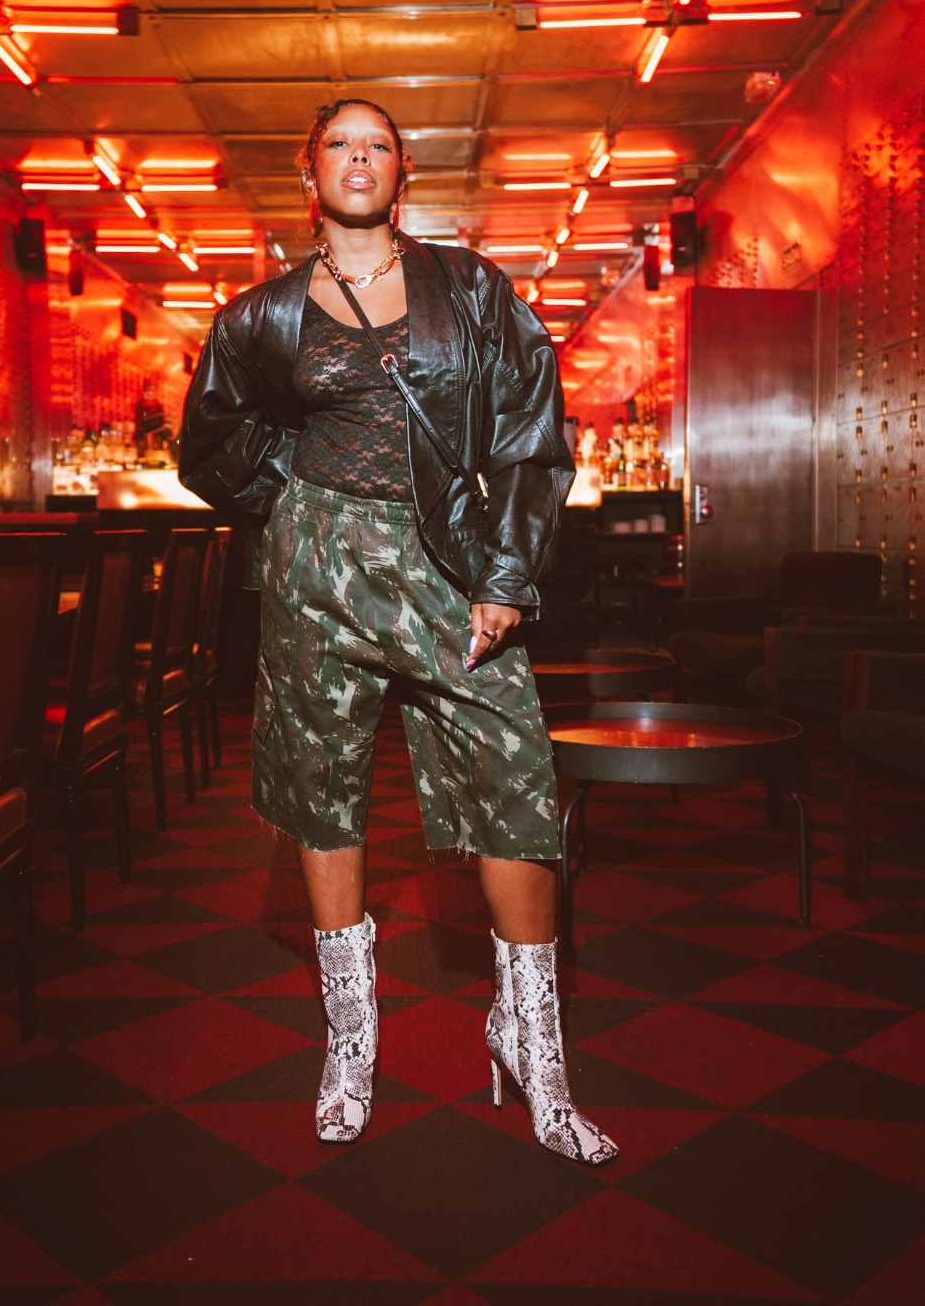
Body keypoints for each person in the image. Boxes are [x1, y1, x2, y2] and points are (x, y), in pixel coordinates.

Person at [179, 99, 617, 1165]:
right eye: (339, 142)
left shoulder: (469, 289)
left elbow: (531, 432)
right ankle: (351, 1045)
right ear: (310, 170)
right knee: (320, 786)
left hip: (444, 563)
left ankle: (534, 1047)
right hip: (315, 569)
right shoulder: (261, 315)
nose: (358, 157)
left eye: (377, 143)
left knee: (515, 778)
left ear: (402, 171)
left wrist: (506, 574)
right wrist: (292, 494)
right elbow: (209, 445)